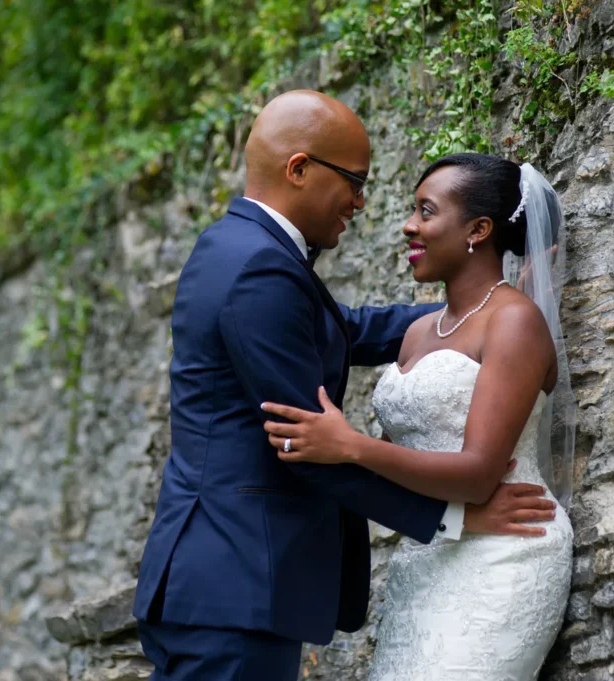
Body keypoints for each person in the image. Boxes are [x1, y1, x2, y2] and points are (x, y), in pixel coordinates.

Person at [131, 92, 558, 681]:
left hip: (218, 578)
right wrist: (450, 519)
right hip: (235, 583)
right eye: (354, 181)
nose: (361, 202)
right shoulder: (261, 265)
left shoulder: (233, 246)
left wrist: (479, 315)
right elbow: (306, 445)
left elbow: (339, 330)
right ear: (299, 168)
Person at [262, 153, 576, 680]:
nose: (409, 225)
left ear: (478, 229)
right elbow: (403, 463)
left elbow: (477, 474)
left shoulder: (515, 323)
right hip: (430, 556)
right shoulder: (418, 332)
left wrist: (350, 445)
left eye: (426, 212)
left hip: (506, 549)